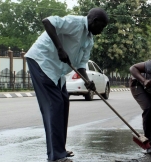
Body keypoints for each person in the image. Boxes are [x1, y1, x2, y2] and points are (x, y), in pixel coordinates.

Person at [24, 8, 108, 162]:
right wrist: (60, 48)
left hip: (57, 71)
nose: (101, 31)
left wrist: (87, 81)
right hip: (41, 61)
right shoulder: (75, 22)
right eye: (101, 27)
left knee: (63, 103)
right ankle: (56, 155)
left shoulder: (89, 39)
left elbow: (82, 64)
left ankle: (59, 149)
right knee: (54, 105)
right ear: (94, 21)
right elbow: (47, 21)